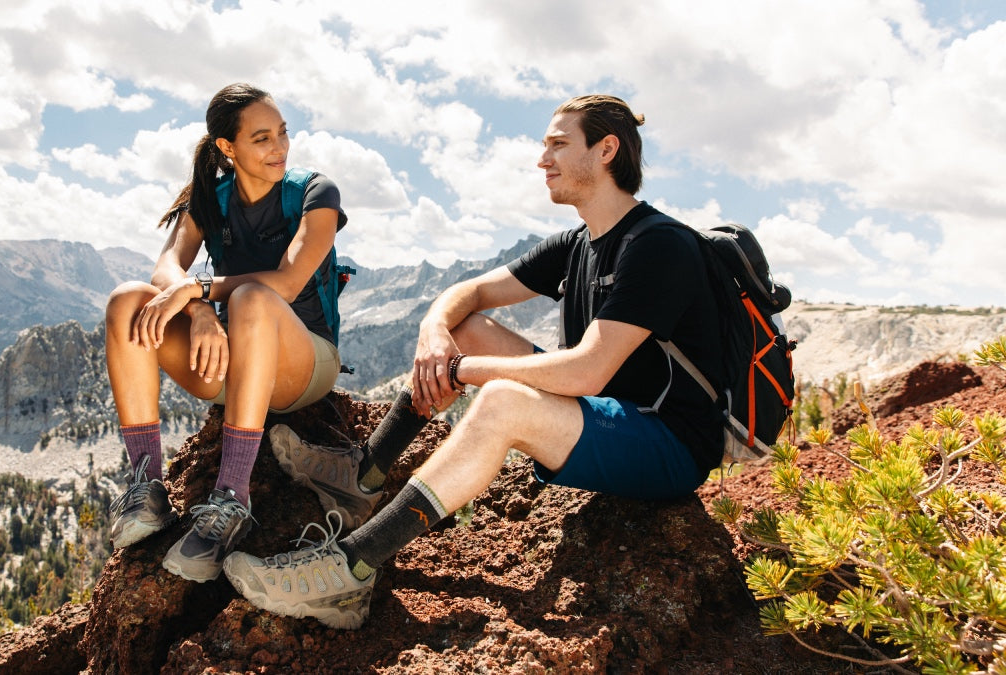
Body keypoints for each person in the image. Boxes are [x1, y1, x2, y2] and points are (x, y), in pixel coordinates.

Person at [222, 94, 726, 630]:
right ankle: (361, 473)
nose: (542, 159)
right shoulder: (581, 243)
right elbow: (468, 296)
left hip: (666, 444)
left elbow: (586, 371)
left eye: (559, 144)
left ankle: (349, 570)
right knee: (464, 329)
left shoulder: (658, 245)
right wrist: (437, 332)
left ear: (607, 150)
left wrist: (462, 370)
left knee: (503, 400)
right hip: (608, 413)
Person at [104, 83, 347, 584]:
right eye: (262, 138)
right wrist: (198, 313)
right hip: (234, 368)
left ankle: (232, 499)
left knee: (253, 298)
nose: (279, 147)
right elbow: (165, 268)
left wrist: (199, 289)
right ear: (227, 148)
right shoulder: (209, 199)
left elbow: (287, 281)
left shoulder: (315, 193)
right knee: (127, 301)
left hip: (304, 367)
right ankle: (147, 486)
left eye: (282, 134)